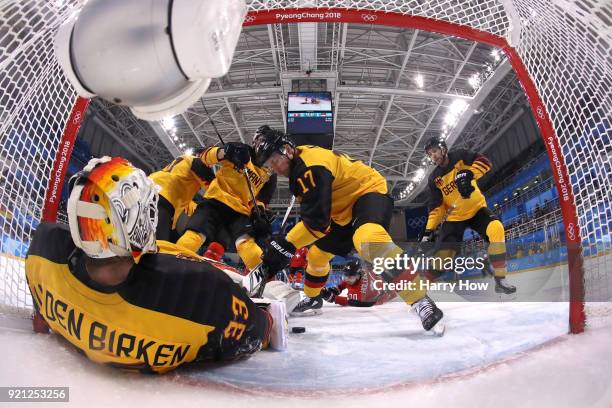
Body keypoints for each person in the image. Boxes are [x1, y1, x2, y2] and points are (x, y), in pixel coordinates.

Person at [25, 157, 286, 374]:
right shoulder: (198, 291)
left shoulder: (42, 252)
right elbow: (260, 330)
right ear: (136, 222)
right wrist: (265, 316)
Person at [251, 126, 444, 332]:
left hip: (366, 192)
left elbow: (316, 223)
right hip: (341, 213)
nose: (274, 167)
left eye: (274, 159)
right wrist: (286, 245)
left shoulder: (308, 167)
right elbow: (319, 219)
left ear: (287, 149)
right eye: (269, 163)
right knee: (316, 256)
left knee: (368, 240)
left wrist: (285, 245)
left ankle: (420, 300)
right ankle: (313, 298)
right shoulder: (302, 162)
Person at [420, 137, 516, 294]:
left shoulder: (460, 155)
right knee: (444, 256)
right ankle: (423, 286)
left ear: (443, 149)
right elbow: (437, 208)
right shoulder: (434, 179)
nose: (433, 156)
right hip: (454, 219)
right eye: (430, 154)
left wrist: (468, 174)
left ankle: (500, 280)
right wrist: (428, 231)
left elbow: (485, 162)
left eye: (435, 151)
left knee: (496, 228)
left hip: (477, 210)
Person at [176, 140, 277, 272]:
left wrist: (260, 213)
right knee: (195, 235)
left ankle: (266, 279)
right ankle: (174, 264)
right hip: (215, 201)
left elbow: (260, 200)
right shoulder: (242, 150)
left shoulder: (270, 175)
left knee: (245, 244)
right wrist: (225, 152)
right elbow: (205, 157)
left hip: (240, 212)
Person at [149, 151, 215, 242]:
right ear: (201, 155)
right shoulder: (197, 161)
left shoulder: (182, 161)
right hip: (163, 196)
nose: (211, 165)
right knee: (158, 244)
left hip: (149, 186)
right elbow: (215, 187)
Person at [318, 259, 396, 310]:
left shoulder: (360, 291)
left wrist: (331, 297)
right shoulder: (358, 274)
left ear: (358, 276)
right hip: (383, 281)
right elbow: (345, 282)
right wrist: (335, 289)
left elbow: (349, 301)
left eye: (350, 277)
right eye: (345, 276)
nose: (347, 279)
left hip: (388, 292)